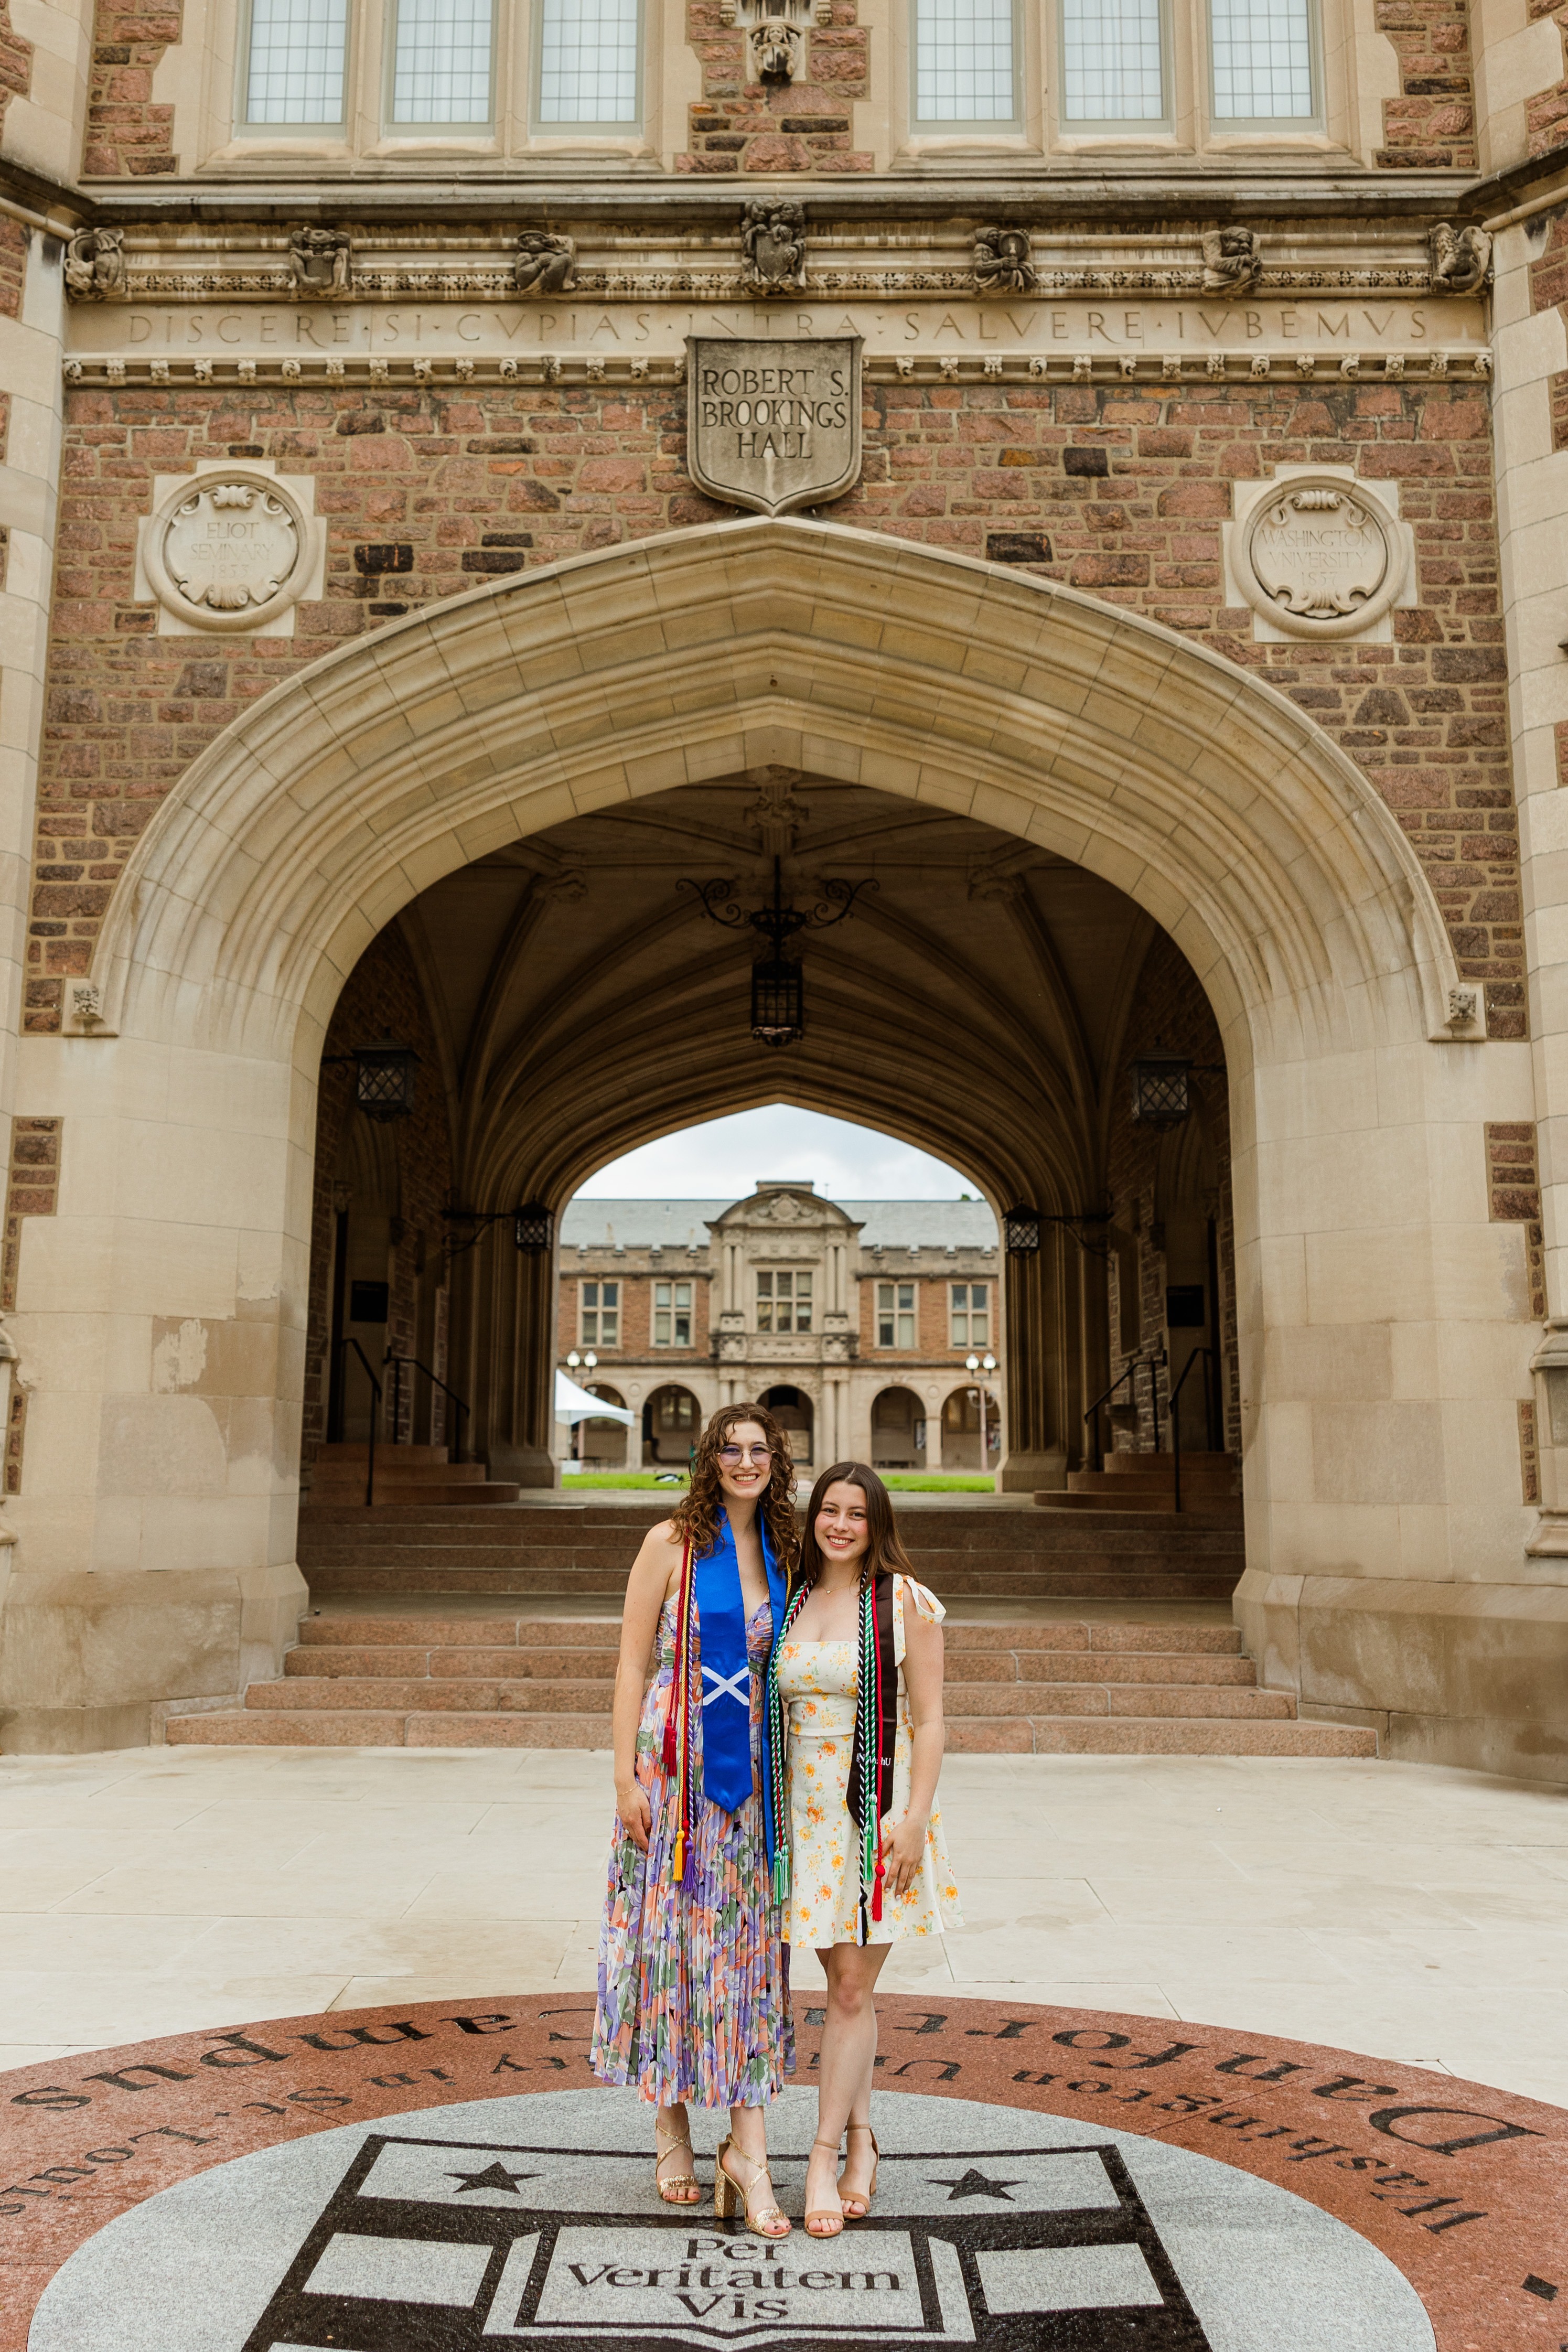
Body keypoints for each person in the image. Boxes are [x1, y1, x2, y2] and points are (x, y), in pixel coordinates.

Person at [590, 1401, 800, 2237]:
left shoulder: (786, 1549)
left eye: (759, 1449)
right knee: (671, 1936)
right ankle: (670, 2122)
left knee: (743, 1947)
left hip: (753, 1776)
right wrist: (623, 1775)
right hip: (674, 1770)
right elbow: (630, 1661)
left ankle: (747, 2145)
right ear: (709, 1458)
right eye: (730, 1449)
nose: (745, 1462)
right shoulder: (669, 1542)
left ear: (776, 1461)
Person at [765, 1460, 962, 2238]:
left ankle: (820, 2157)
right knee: (847, 1987)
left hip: (873, 1812)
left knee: (848, 1990)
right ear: (813, 1515)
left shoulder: (904, 1601)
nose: (840, 1524)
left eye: (856, 1513)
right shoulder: (791, 1596)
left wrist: (913, 1818)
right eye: (829, 1509)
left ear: (877, 1523)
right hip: (800, 1818)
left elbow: (932, 1718)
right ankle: (861, 2140)